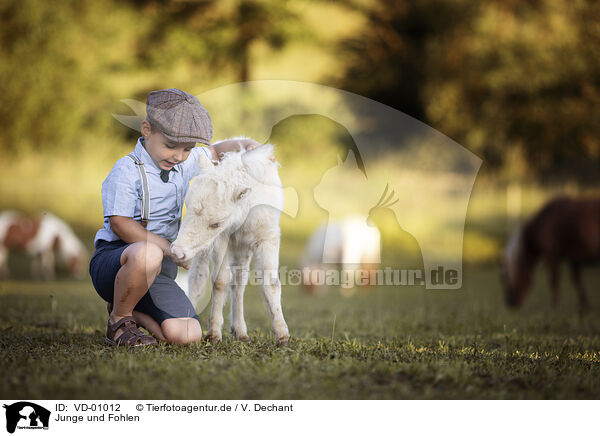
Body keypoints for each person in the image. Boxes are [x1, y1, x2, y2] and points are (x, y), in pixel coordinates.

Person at [89, 88, 259, 346]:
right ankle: (119, 321)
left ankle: (129, 309)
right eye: (170, 146)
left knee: (189, 336)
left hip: (158, 274)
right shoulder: (127, 170)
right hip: (117, 263)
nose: (178, 156)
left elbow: (215, 151)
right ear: (147, 129)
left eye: (188, 149)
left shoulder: (183, 164)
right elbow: (120, 223)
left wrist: (247, 146)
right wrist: (169, 249)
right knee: (149, 254)